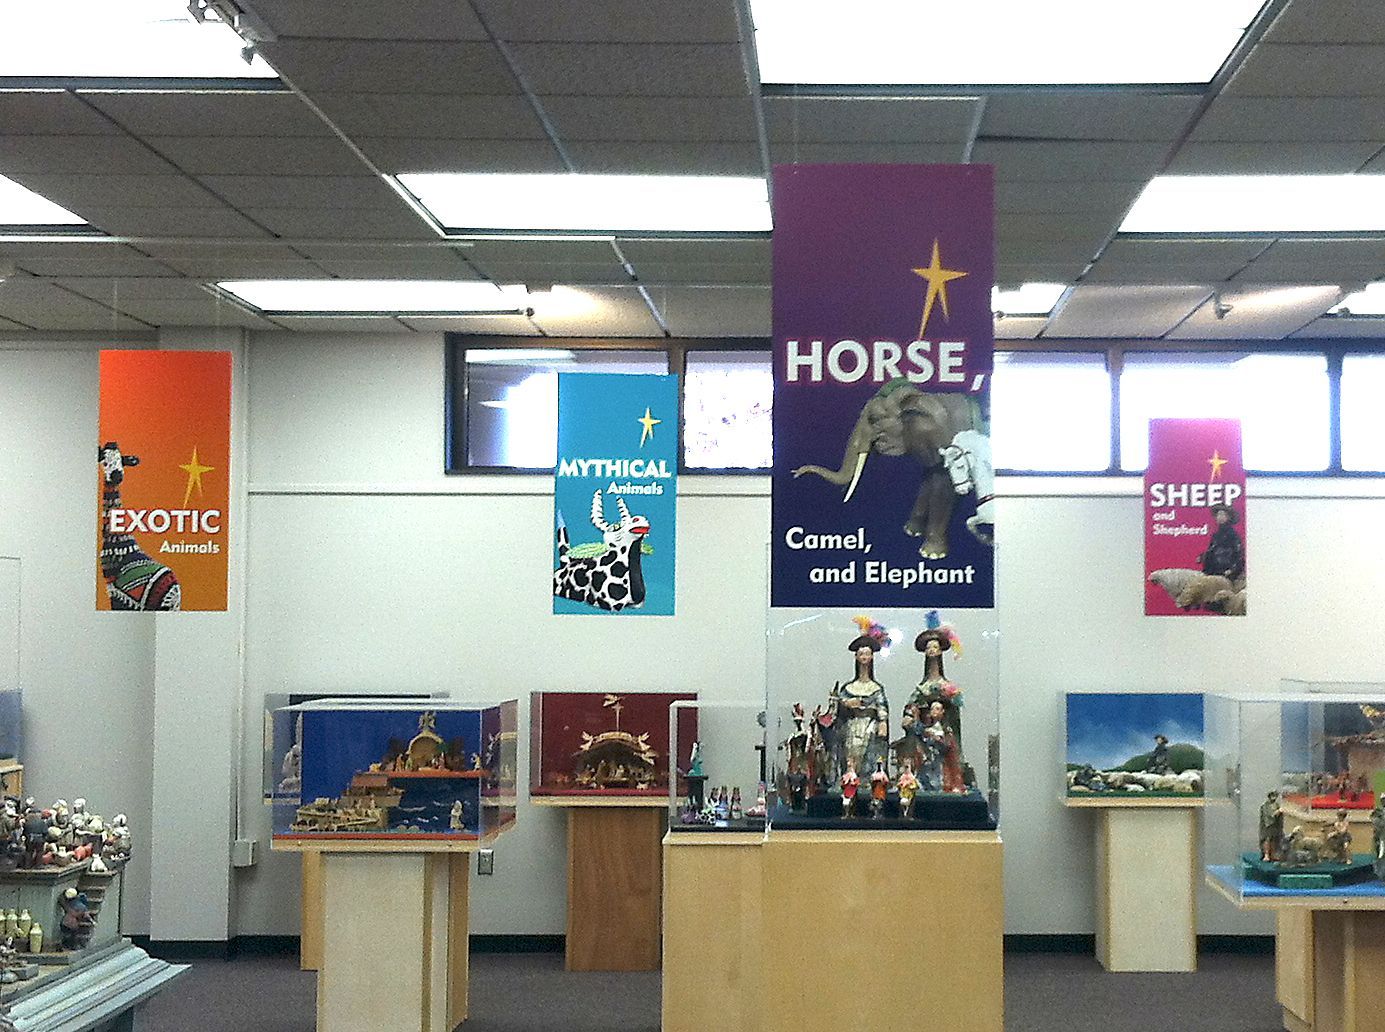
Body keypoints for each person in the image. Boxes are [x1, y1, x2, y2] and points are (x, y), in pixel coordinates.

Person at [1199, 503, 1245, 581]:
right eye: (1218, 515)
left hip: (1227, 573)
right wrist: (1203, 557)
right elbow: (1212, 551)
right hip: (1213, 572)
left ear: (1228, 517)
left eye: (1223, 515)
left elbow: (1239, 555)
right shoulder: (1216, 535)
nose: (1220, 517)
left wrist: (1232, 570)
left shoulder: (1233, 535)